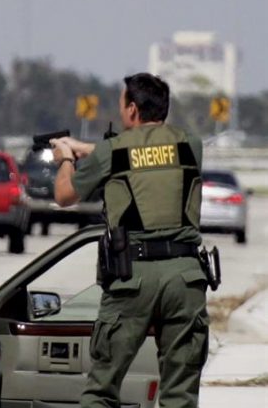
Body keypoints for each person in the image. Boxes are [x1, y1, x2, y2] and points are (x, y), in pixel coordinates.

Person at [50, 73, 208, 408]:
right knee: (180, 394)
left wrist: (65, 158)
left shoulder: (113, 151)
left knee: (102, 390)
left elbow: (64, 194)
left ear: (133, 110)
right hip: (186, 278)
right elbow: (147, 155)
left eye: (122, 106)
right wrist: (92, 150)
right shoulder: (190, 144)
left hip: (132, 277)